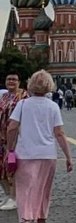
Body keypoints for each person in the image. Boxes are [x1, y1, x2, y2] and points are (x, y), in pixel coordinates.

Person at [6, 70, 73, 223]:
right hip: (48, 155)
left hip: (26, 154)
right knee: (44, 192)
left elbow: (12, 127)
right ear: (49, 86)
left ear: (30, 84)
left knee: (24, 191)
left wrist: (9, 149)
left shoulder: (23, 104)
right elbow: (59, 133)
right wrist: (68, 156)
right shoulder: (53, 106)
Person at [0, 72, 29, 211]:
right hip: (2, 137)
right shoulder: (4, 96)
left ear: (19, 82)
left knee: (13, 167)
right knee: (2, 168)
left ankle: (14, 197)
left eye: (14, 79)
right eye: (8, 79)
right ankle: (8, 195)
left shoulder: (24, 96)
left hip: (17, 137)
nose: (11, 81)